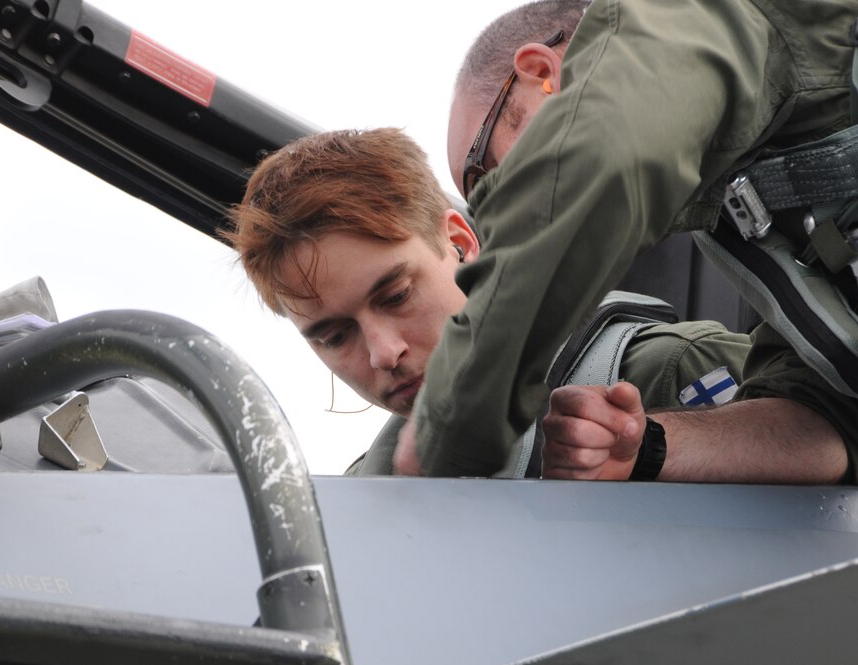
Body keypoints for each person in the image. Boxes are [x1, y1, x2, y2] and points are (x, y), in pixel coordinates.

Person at [393, 0, 858, 485]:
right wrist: (645, 447)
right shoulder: (751, 217)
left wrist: (446, 435)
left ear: (543, 70)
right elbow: (847, 429)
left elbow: (605, 154)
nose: (501, 229)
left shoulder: (677, 17)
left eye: (491, 185)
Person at [226, 127, 752, 476]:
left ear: (460, 242)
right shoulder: (369, 490)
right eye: (335, 336)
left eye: (396, 295)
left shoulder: (672, 370)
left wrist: (657, 450)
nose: (383, 353)